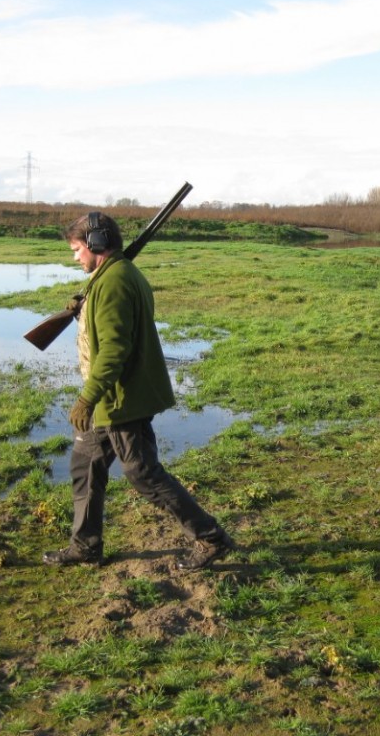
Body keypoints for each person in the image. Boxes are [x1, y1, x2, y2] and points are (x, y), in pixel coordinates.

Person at [43, 211, 235, 570]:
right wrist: (82, 307)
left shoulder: (114, 282)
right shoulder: (109, 277)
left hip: (121, 399)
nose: (75, 257)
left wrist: (88, 397)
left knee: (142, 473)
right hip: (111, 398)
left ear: (95, 244)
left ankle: (210, 537)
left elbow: (115, 349)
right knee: (85, 465)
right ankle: (86, 545)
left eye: (76, 249)